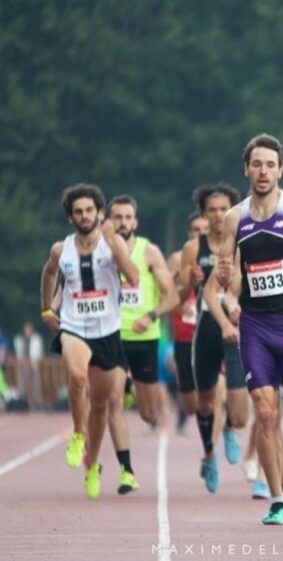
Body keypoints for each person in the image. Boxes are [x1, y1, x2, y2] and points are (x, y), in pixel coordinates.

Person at [215, 133, 283, 525]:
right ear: (246, 169)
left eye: (270, 165)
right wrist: (225, 279)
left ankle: (279, 481)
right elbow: (227, 275)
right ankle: (276, 497)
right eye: (256, 164)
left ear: (280, 170)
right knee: (266, 413)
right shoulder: (234, 218)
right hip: (255, 324)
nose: (263, 171)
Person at [40, 183, 139, 499]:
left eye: (89, 210)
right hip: (73, 326)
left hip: (107, 331)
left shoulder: (113, 244)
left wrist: (113, 241)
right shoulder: (61, 249)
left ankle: (93, 464)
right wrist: (46, 308)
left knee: (100, 405)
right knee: (78, 376)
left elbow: (134, 277)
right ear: (71, 217)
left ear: (99, 213)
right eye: (78, 211)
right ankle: (78, 436)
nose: (84, 216)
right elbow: (48, 274)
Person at [105, 194, 179, 494]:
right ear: (109, 221)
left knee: (149, 414)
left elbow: (172, 296)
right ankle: (126, 470)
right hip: (110, 336)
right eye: (117, 217)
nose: (122, 223)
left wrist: (150, 316)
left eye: (127, 217)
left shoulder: (149, 251)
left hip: (144, 338)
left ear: (135, 221)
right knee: (111, 401)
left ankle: (131, 387)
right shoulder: (101, 251)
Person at [177, 183, 248, 493]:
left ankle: (231, 427)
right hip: (205, 327)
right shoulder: (194, 248)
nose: (219, 216)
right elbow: (180, 296)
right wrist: (188, 282)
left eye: (224, 210)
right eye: (213, 211)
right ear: (204, 215)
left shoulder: (244, 243)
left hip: (234, 327)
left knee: (238, 409)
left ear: (233, 211)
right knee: (204, 404)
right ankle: (208, 455)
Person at [166, 211, 209, 433]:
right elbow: (164, 293)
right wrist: (179, 299)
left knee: (217, 390)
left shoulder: (220, 255)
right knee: (192, 404)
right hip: (184, 337)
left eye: (205, 230)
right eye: (196, 230)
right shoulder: (176, 259)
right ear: (188, 232)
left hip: (211, 333)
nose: (200, 234)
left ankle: (213, 446)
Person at [13, 321, 44, 410]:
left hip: (34, 365)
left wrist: (33, 363)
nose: (27, 331)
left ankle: (37, 403)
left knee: (36, 385)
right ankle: (23, 402)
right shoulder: (20, 340)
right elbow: (19, 354)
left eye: (29, 329)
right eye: (26, 330)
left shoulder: (36, 339)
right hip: (23, 365)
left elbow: (38, 353)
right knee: (23, 385)